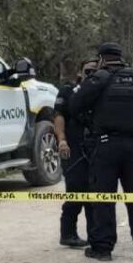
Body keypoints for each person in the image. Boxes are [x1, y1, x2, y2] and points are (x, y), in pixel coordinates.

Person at [69, 42, 133, 261]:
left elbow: (75, 105)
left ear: (102, 59)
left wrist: (90, 124)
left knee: (104, 198)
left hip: (106, 147)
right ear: (121, 58)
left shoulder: (99, 79)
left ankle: (102, 249)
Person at [55, 57, 99, 247]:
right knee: (75, 190)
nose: (91, 75)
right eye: (88, 71)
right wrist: (62, 140)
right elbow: (58, 116)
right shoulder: (68, 91)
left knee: (94, 192)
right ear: (80, 73)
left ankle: (95, 234)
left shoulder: (101, 90)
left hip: (95, 148)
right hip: (73, 147)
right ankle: (68, 233)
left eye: (95, 71)